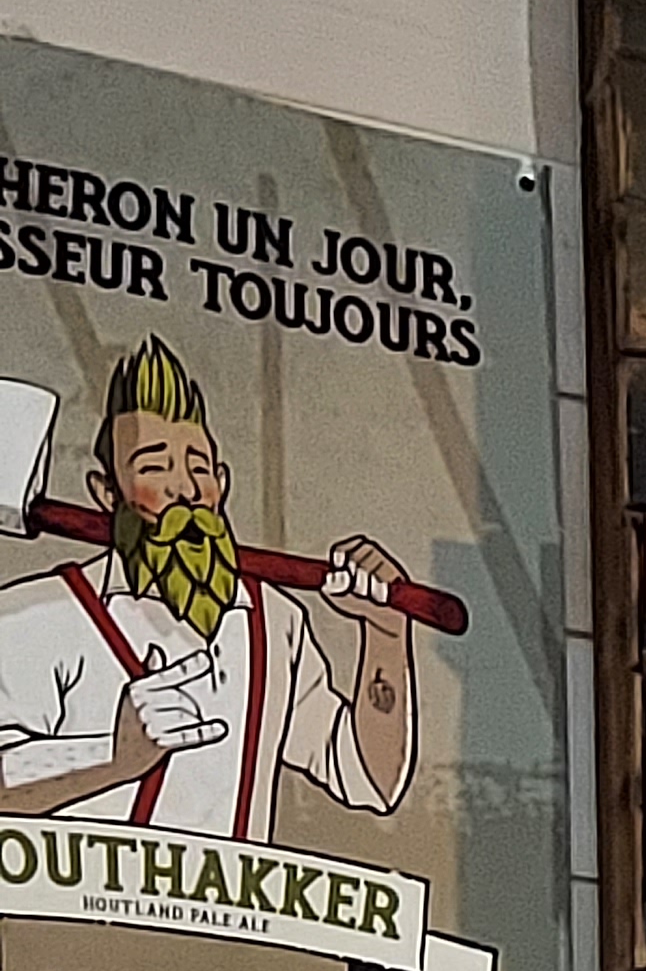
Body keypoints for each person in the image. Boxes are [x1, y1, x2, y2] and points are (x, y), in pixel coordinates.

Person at [0, 337, 417, 838]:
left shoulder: (274, 621)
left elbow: (370, 778)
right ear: (106, 493)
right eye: (154, 467)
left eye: (199, 467)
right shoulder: (34, 614)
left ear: (221, 482)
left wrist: (386, 634)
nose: (186, 489)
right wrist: (111, 757)